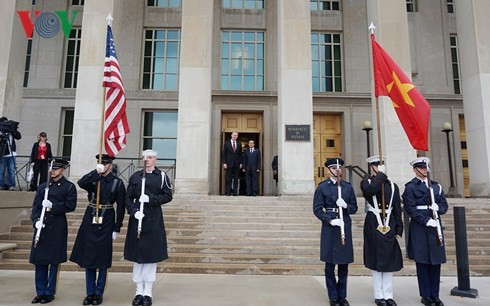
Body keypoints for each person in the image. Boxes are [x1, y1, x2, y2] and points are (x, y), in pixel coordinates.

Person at [70, 154, 126, 305]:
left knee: (102, 258)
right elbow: (81, 182)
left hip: (107, 218)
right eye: (100, 163)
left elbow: (121, 207)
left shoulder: (117, 183)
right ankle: (90, 292)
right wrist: (96, 173)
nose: (102, 165)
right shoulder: (93, 179)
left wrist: (117, 227)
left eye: (105, 163)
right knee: (88, 257)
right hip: (91, 217)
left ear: (110, 165)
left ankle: (98, 292)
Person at [124, 149, 173, 306]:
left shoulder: (162, 176)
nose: (147, 160)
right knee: (138, 257)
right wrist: (133, 211)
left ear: (155, 160)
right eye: (145, 157)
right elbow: (128, 198)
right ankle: (138, 291)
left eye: (150, 157)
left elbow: (168, 196)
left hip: (153, 220)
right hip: (138, 220)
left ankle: (148, 292)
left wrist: (150, 199)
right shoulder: (135, 177)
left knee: (151, 257)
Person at [29, 158, 77, 304]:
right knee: (40, 261)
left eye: (56, 168)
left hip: (57, 227)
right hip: (42, 227)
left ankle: (49, 292)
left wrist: (52, 206)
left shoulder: (68, 187)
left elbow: (70, 205)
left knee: (54, 262)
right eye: (52, 168)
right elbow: (36, 207)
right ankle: (40, 291)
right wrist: (36, 221)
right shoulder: (43, 186)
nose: (53, 170)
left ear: (63, 169)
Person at [402, 157, 448, 306]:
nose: (424, 170)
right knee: (422, 262)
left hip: (435, 225)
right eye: (421, 168)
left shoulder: (436, 186)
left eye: (426, 167)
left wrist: (438, 209)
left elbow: (444, 205)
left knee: (435, 262)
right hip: (420, 226)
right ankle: (426, 295)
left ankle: (435, 295)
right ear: (415, 169)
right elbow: (410, 208)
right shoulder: (410, 187)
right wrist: (425, 220)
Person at [313, 158, 358, 306]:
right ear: (328, 170)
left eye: (339, 168)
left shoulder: (347, 187)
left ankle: (342, 295)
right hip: (330, 226)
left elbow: (354, 208)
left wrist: (345, 206)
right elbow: (317, 209)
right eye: (334, 168)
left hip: (344, 223)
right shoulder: (322, 187)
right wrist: (329, 220)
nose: (337, 170)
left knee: (344, 264)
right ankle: (333, 296)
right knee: (330, 264)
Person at [360, 156, 403, 306]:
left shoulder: (392, 185)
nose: (379, 166)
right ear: (371, 167)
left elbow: (397, 207)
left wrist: (399, 226)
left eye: (381, 164)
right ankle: (379, 295)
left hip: (388, 221)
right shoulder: (367, 182)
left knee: (389, 259)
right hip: (374, 222)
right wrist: (380, 176)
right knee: (376, 258)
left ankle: (388, 294)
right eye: (376, 165)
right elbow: (371, 191)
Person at [0, 116, 21, 190]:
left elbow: (18, 136)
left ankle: (11, 185)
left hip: (12, 153)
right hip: (3, 154)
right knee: (1, 170)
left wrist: (13, 130)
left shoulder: (11, 131)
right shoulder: (1, 132)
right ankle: (1, 185)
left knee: (11, 170)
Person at [222, 131, 242, 196]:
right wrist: (224, 162)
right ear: (231, 135)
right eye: (234, 135)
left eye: (236, 135)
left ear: (237, 136)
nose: (234, 136)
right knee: (228, 178)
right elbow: (224, 154)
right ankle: (228, 192)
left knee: (236, 178)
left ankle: (235, 192)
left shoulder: (239, 144)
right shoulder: (226, 143)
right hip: (228, 163)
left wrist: (241, 163)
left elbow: (240, 154)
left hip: (236, 164)